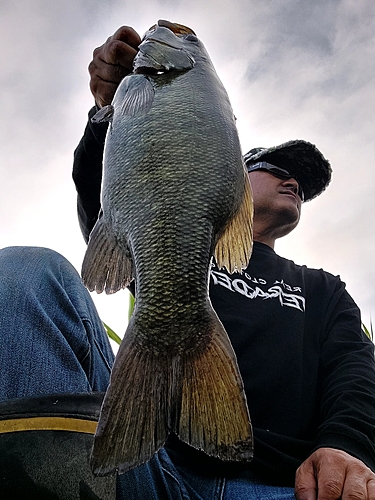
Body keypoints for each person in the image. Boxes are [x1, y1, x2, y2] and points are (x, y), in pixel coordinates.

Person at [0, 24, 374, 500]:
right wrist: (104, 115)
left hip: (283, 488)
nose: (292, 179)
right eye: (276, 167)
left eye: (301, 180)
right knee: (24, 275)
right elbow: (103, 212)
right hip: (147, 470)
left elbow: (353, 368)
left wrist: (346, 446)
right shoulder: (165, 234)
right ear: (228, 168)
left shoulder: (324, 290)